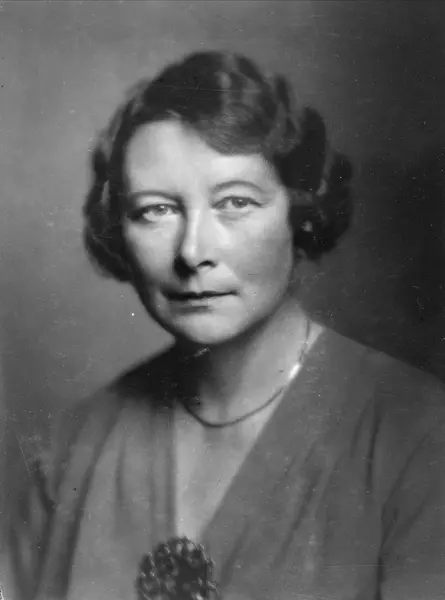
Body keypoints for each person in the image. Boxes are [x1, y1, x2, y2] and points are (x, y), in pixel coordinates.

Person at [5, 51, 445, 600]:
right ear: (118, 228)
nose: (193, 252)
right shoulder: (71, 449)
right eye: (156, 210)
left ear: (300, 213)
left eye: (235, 202)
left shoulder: (419, 435)